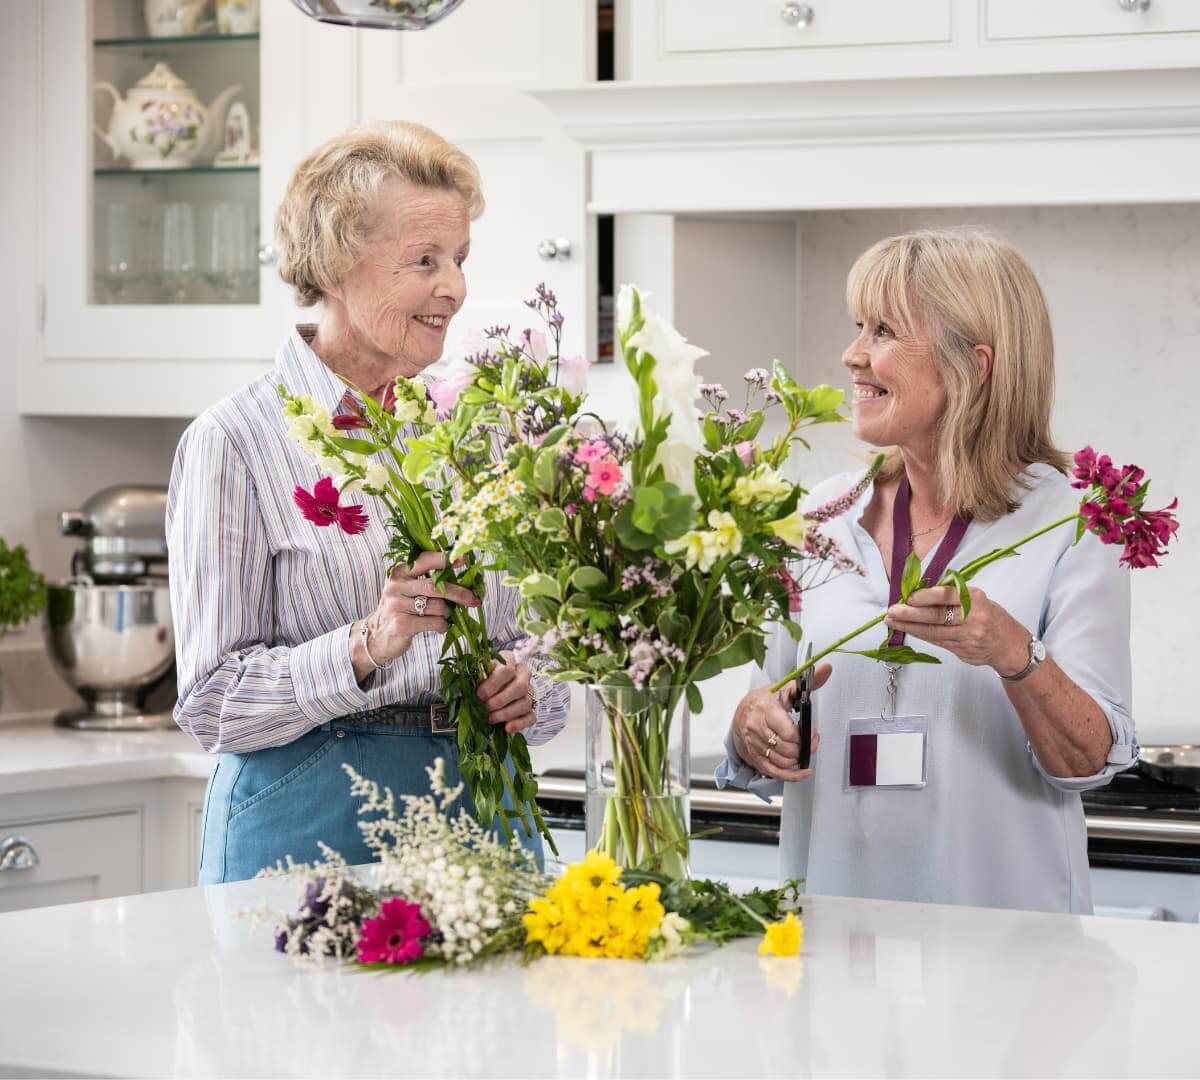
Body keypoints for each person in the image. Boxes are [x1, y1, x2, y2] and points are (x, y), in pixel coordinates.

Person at [167, 121, 567, 885]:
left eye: (459, 259)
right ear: (337, 267)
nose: (454, 286)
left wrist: (529, 684)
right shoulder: (238, 442)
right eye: (424, 260)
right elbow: (214, 705)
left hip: (484, 807)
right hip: (309, 813)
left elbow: (537, 639)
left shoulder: (476, 432)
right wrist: (364, 644)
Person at [719, 227, 1137, 914]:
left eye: (883, 330)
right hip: (834, 941)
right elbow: (769, 704)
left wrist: (1014, 655)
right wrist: (750, 726)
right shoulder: (819, 516)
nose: (853, 355)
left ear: (972, 365)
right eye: (858, 326)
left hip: (1010, 963)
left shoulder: (1074, 522)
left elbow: (1088, 761)